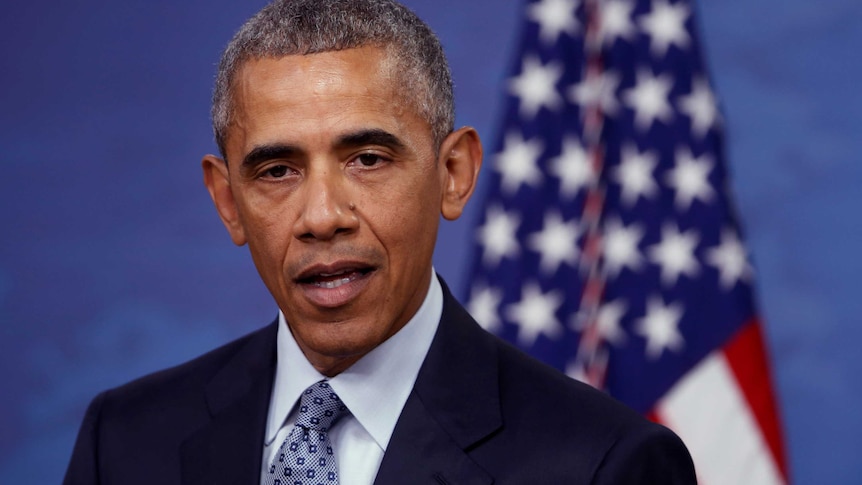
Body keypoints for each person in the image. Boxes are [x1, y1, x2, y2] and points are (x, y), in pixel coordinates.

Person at [64, 0, 697, 483]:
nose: (322, 215)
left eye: (367, 158)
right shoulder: (121, 443)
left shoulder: (606, 466)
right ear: (228, 201)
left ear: (453, 174)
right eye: (277, 171)